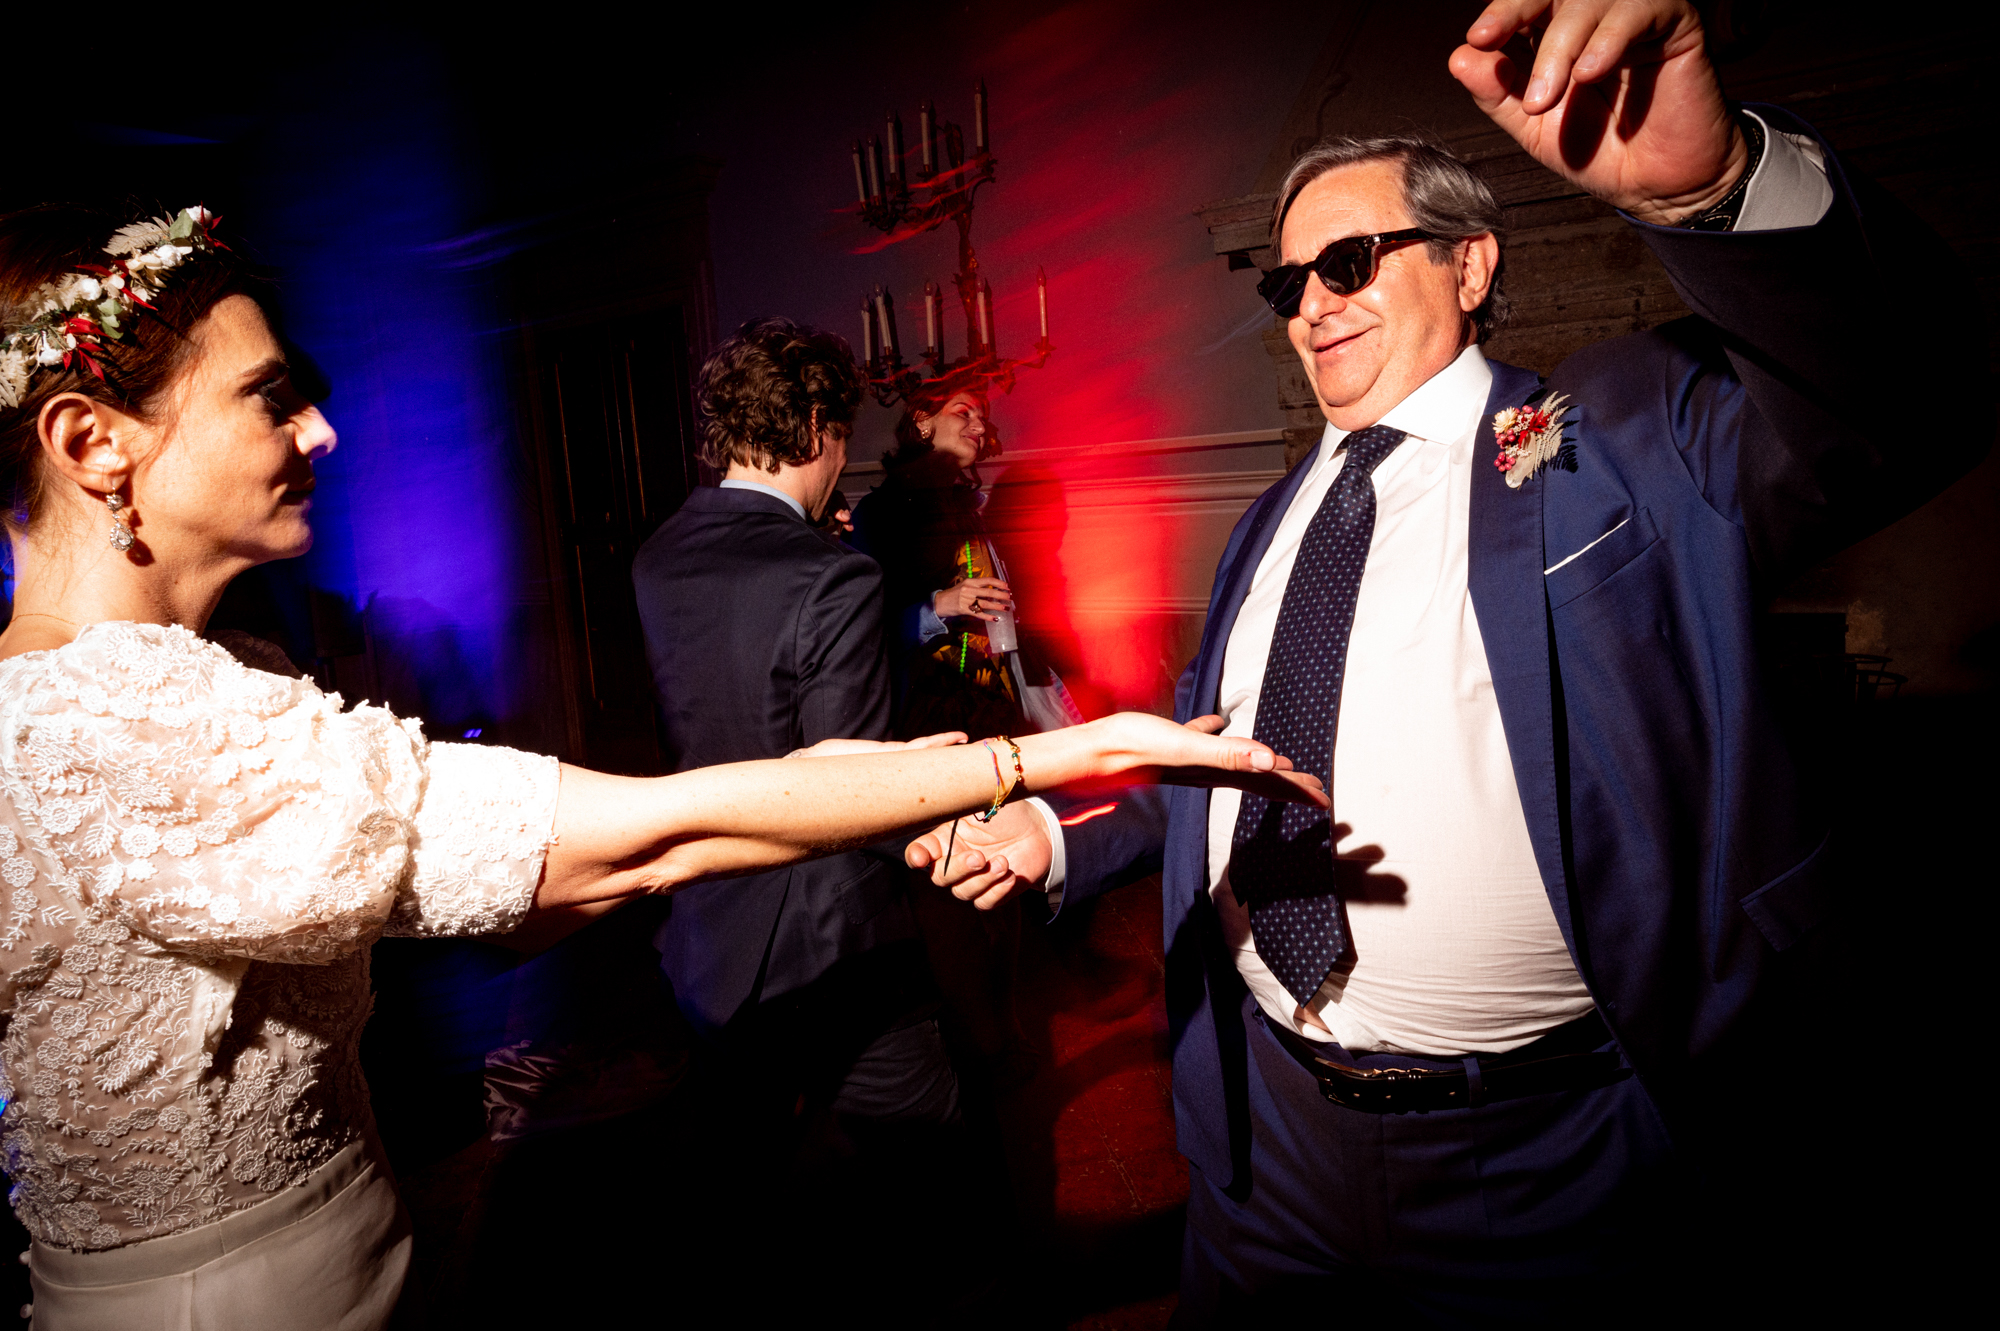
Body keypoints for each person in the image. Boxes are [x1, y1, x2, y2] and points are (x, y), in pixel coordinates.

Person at [0, 203, 1322, 1329]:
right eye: (272, 396)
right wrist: (1057, 754)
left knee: (744, 1184)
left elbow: (540, 890)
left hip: (378, 1206)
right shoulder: (93, 723)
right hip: (220, 1300)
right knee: (903, 1196)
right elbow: (645, 832)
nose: (324, 432)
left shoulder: (233, 670)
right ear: (92, 441)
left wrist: (707, 835)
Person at [911, 0, 1986, 1321]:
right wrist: (1056, 834)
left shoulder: (1618, 435)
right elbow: (1219, 764)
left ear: (1469, 264)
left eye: (1349, 260)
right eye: (1288, 282)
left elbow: (1905, 408)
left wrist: (1710, 188)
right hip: (1267, 1141)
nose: (1313, 305)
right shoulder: (1268, 520)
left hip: (1550, 1155)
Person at [628, 319, 1009, 1319]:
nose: (842, 460)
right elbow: (852, 793)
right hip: (835, 939)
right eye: (839, 436)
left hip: (712, 923)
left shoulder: (659, 556)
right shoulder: (830, 574)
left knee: (737, 1198)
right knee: (943, 1196)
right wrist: (954, 800)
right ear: (814, 427)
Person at [850, 387, 1033, 741]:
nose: (980, 428)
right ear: (922, 421)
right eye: (964, 413)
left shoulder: (968, 514)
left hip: (988, 705)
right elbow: (862, 631)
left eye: (982, 419)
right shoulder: (881, 512)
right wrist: (940, 605)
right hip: (921, 717)